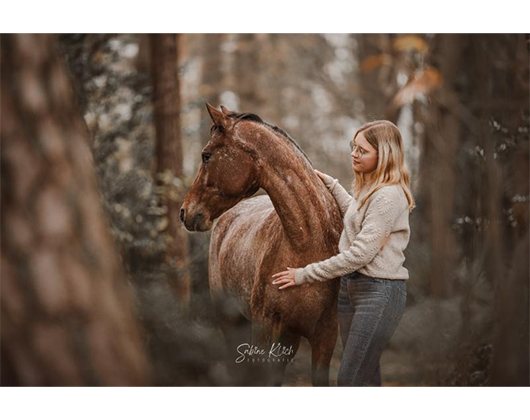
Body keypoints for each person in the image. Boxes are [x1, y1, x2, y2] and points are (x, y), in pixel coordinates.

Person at [271, 120, 415, 386]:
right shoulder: (371, 190)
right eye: (354, 147)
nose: (354, 154)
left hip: (379, 293)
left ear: (383, 156)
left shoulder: (389, 196)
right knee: (366, 376)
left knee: (350, 379)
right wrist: (331, 184)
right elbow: (356, 215)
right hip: (353, 289)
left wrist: (304, 274)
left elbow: (360, 254)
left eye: (363, 150)